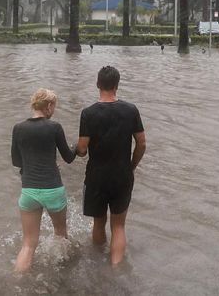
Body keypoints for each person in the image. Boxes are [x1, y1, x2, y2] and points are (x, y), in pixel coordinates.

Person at [76, 66, 146, 266]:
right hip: (122, 175)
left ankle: (98, 268)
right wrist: (131, 166)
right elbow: (141, 143)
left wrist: (74, 148)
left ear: (98, 84)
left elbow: (82, 149)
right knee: (119, 226)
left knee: (99, 223)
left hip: (97, 176)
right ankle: (115, 269)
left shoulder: (88, 113)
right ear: (117, 85)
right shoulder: (131, 110)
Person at [11, 88, 76, 272]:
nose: (53, 110)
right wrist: (77, 147)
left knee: (28, 245)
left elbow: (16, 161)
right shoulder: (54, 127)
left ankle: (17, 282)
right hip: (53, 189)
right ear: (48, 106)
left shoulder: (18, 128)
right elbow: (69, 157)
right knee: (61, 235)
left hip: (29, 192)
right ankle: (63, 274)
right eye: (54, 106)